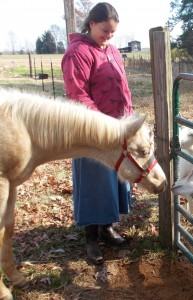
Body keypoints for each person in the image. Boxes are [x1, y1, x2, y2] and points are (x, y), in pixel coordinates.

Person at [61, 2, 133, 265]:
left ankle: (107, 227)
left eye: (112, 32)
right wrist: (103, 125)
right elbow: (77, 95)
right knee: (93, 181)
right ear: (91, 24)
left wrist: (128, 118)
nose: (109, 36)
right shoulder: (77, 53)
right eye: (105, 30)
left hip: (116, 127)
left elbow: (123, 88)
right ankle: (91, 237)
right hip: (90, 130)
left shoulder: (112, 51)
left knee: (113, 178)